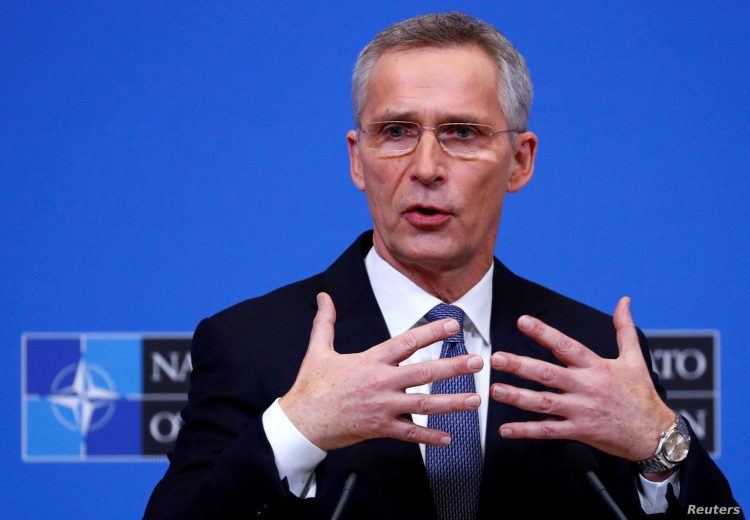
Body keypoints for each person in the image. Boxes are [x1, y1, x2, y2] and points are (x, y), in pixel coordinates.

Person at [145, 12, 741, 519]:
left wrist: (659, 447)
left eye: (461, 132)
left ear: (519, 161)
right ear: (358, 159)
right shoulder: (253, 345)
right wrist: (296, 429)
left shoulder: (592, 351)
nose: (426, 166)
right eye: (397, 131)